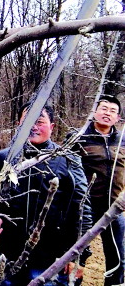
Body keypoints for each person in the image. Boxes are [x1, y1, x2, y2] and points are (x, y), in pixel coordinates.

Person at [0, 102, 92, 285]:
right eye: (27, 120)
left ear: (51, 126)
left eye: (39, 121)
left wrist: (79, 256)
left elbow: (83, 210)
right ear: (19, 124)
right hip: (10, 254)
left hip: (52, 258)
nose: (33, 126)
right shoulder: (5, 157)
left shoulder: (68, 160)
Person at [72, 95, 125, 286]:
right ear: (95, 111)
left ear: (118, 117)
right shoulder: (79, 138)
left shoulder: (122, 140)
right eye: (103, 109)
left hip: (114, 209)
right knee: (76, 254)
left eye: (112, 111)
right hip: (85, 209)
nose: (107, 113)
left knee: (118, 258)